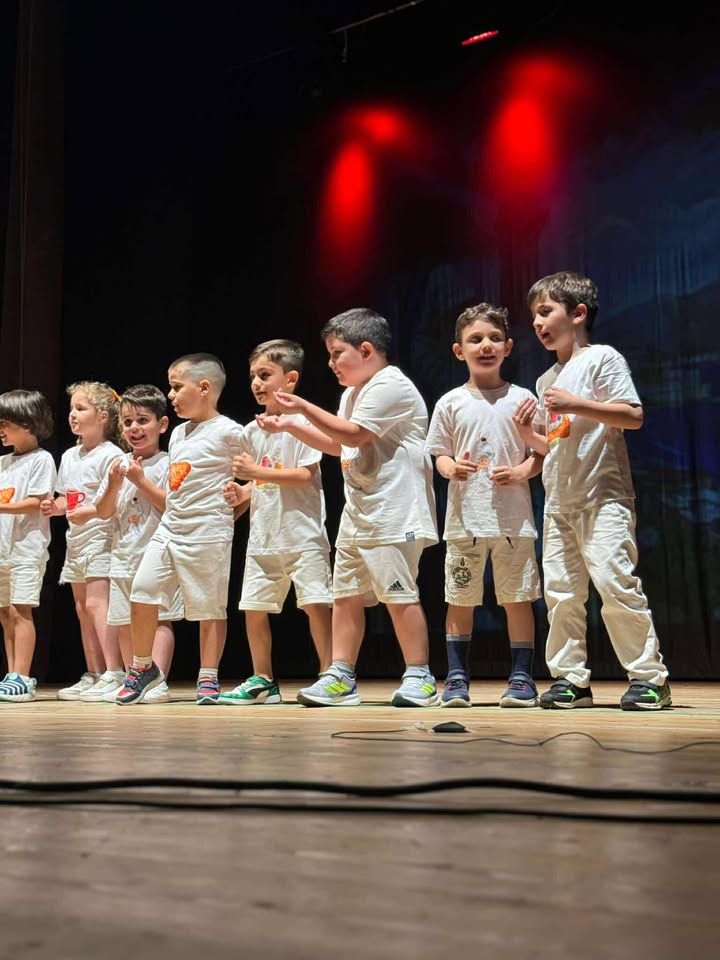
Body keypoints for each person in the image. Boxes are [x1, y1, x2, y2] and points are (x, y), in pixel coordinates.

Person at [259, 308, 439, 707]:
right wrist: (291, 425)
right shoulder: (352, 393)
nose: (331, 363)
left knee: (399, 595)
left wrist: (301, 409)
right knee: (346, 595)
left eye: (337, 353)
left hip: (395, 512)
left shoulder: (391, 385)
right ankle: (340, 675)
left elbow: (355, 435)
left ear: (367, 350)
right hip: (359, 513)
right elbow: (339, 444)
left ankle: (420, 676)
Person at [528, 271, 671, 709]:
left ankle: (649, 678)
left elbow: (632, 415)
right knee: (561, 593)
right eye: (534, 316)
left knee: (615, 583)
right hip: (559, 502)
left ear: (577, 313)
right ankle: (571, 679)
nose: (537, 322)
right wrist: (528, 435)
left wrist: (575, 403)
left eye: (545, 311)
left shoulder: (602, 358)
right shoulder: (546, 380)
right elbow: (555, 443)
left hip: (603, 496)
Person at [426, 303, 545, 708]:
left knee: (517, 597)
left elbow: (542, 453)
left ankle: (522, 677)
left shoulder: (523, 398)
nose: (486, 346)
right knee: (460, 598)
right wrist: (451, 468)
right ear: (459, 350)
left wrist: (521, 471)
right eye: (475, 339)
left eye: (495, 338)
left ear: (508, 347)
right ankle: (456, 678)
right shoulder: (450, 402)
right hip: (465, 520)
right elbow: (439, 455)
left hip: (514, 521)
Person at [117, 353, 246, 705]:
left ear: (204, 387)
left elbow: (263, 470)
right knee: (142, 590)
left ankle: (208, 676)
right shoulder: (178, 433)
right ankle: (142, 667)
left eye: (176, 387)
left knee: (209, 607)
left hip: (208, 532)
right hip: (171, 527)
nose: (170, 395)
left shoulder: (230, 431)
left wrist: (243, 495)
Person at [220, 339, 332, 704]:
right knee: (253, 608)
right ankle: (263, 679)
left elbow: (303, 475)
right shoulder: (251, 432)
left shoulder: (302, 424)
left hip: (302, 535)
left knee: (315, 604)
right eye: (253, 375)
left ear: (290, 379)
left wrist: (256, 475)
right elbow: (261, 481)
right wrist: (243, 492)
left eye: (265, 375)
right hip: (264, 536)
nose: (256, 382)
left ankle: (330, 675)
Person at [90, 385, 183, 703]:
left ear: (162, 424)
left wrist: (140, 480)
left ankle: (158, 681)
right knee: (124, 620)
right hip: (123, 555)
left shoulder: (168, 462)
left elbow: (171, 506)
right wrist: (114, 483)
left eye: (142, 420)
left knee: (158, 619)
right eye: (128, 422)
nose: (134, 428)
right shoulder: (118, 464)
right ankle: (135, 677)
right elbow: (103, 511)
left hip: (157, 554)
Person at [40, 382, 125, 701]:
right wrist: (56, 507)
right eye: (72, 409)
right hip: (76, 541)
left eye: (81, 408)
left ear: (102, 416)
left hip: (103, 538)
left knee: (97, 604)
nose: (73, 415)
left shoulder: (112, 455)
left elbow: (111, 501)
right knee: (82, 608)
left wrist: (86, 513)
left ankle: (115, 671)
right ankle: (94, 672)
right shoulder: (69, 456)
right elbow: (68, 498)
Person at [0, 390, 56, 702]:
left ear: (28, 424)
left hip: (26, 550)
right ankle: (12, 674)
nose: (1, 429)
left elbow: (37, 502)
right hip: (3, 550)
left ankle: (22, 675)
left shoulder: (41, 460)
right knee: (5, 613)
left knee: (21, 611)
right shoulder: (3, 462)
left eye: (5, 423)